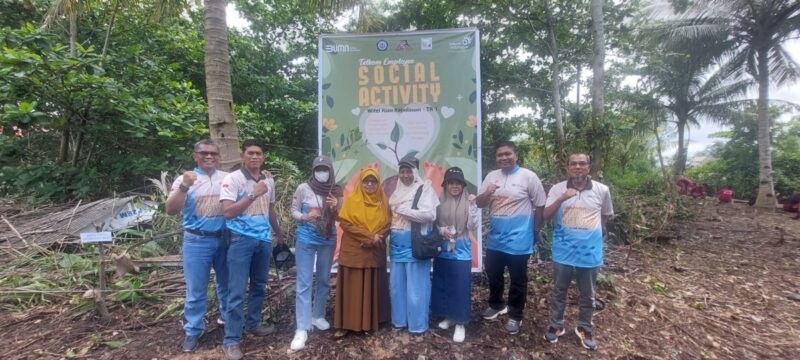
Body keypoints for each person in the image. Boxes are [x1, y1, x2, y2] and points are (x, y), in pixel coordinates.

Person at [219, 139, 286, 360]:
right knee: (236, 291)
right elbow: (227, 212)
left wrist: (278, 232)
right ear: (243, 155)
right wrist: (252, 193)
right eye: (250, 153)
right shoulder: (233, 179)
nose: (255, 157)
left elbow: (270, 209)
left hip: (263, 240)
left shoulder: (268, 181)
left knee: (259, 285)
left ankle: (254, 323)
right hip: (240, 240)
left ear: (263, 156)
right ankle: (231, 341)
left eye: (258, 153)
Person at [542, 153, 614, 351]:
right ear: (568, 168)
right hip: (562, 251)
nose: (578, 167)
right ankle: (556, 326)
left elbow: (604, 218)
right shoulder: (558, 189)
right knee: (559, 291)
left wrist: (591, 237)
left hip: (589, 252)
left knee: (588, 294)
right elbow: (546, 215)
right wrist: (563, 198)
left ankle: (584, 328)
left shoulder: (602, 190)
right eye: (573, 164)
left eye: (582, 164)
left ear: (589, 167)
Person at [165, 139, 230, 353]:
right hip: (197, 240)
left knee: (226, 284)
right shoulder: (184, 180)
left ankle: (228, 320)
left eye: (213, 153)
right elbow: (171, 209)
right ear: (195, 155)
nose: (209, 156)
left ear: (219, 157)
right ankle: (193, 330)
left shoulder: (226, 178)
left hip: (224, 238)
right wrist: (184, 186)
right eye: (204, 153)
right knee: (196, 289)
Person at [475, 140, 546, 334]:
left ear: (516, 155)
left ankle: (515, 315)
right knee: (494, 274)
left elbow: (540, 205)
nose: (504, 158)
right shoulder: (491, 176)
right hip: (495, 239)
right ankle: (496, 304)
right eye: (500, 155)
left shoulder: (528, 177)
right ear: (496, 158)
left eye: (508, 154)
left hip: (520, 239)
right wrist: (488, 192)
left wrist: (536, 229)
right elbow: (479, 204)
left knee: (518, 279)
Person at [289, 156, 342, 351]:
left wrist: (335, 206)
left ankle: (318, 315)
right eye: (319, 169)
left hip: (328, 239)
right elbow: (293, 210)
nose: (322, 172)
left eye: (325, 169)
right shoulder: (303, 188)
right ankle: (302, 327)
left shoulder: (335, 190)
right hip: (306, 240)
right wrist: (305, 216)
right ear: (313, 170)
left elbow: (341, 216)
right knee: (304, 282)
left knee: (323, 279)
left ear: (330, 170)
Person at [334, 167, 392, 336]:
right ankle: (346, 324)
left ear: (378, 183)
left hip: (374, 251)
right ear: (361, 182)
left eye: (373, 181)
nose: (369, 184)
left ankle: (373, 322)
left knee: (373, 285)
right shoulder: (352, 200)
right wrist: (369, 237)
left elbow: (388, 225)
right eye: (366, 181)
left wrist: (376, 237)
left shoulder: (384, 201)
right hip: (355, 250)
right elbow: (346, 224)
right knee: (353, 287)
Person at [388, 155, 439, 335]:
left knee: (416, 289)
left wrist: (403, 210)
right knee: (397, 288)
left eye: (409, 171)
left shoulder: (424, 189)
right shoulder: (396, 192)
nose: (405, 175)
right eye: (402, 171)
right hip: (396, 247)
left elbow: (429, 215)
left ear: (415, 172)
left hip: (415, 247)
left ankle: (417, 326)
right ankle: (399, 322)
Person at [430, 167, 480, 343]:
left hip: (462, 250)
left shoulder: (469, 201)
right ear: (445, 185)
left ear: (462, 185)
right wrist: (441, 229)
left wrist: (473, 206)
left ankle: (460, 322)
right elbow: (431, 223)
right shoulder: (438, 201)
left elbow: (473, 226)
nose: (454, 186)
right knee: (444, 284)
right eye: (451, 182)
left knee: (460, 287)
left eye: (458, 183)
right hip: (443, 250)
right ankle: (450, 317)